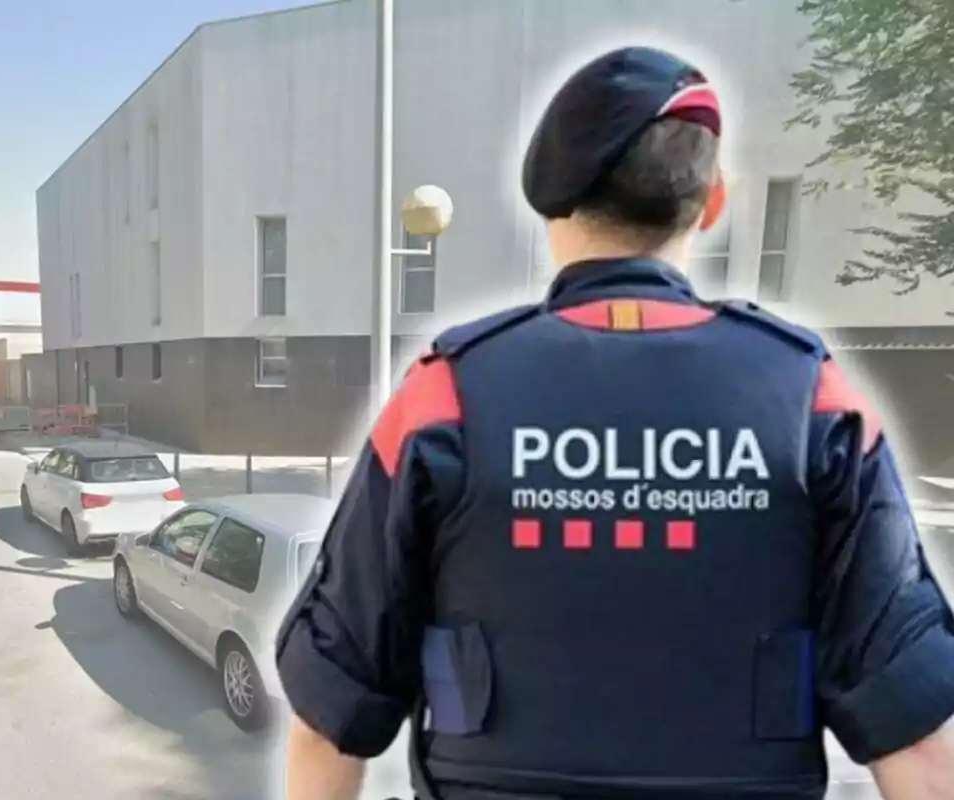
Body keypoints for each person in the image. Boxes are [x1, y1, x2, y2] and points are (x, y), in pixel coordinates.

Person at [274, 45, 954, 800]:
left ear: (550, 203)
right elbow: (917, 738)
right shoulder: (812, 396)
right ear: (713, 202)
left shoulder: (445, 395)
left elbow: (331, 712)